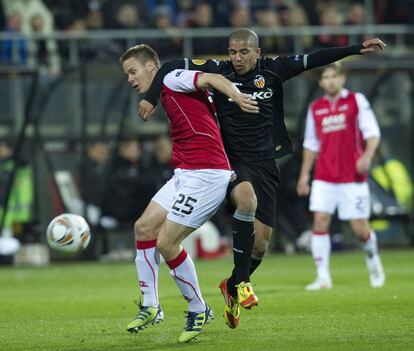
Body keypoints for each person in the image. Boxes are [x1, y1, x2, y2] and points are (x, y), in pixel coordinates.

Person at [138, 28, 386, 329]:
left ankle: (231, 284)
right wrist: (152, 98)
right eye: (232, 51)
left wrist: (356, 48)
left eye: (243, 52)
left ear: (257, 52)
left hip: (265, 163)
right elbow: (168, 67)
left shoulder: (274, 69)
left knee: (260, 245)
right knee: (246, 199)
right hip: (231, 161)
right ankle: (241, 284)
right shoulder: (220, 70)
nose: (237, 58)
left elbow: (315, 59)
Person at [120, 44, 258, 343]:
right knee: (143, 227)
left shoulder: (171, 78)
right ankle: (151, 305)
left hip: (207, 175)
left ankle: (198, 308)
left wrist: (237, 96)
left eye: (133, 71)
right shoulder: (168, 85)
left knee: (167, 242)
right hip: (186, 173)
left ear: (151, 66)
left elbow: (211, 79)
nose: (130, 79)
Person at [296, 62, 385, 290]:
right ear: (320, 82)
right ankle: (323, 277)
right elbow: (311, 144)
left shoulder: (356, 101)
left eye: (334, 76)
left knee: (359, 229)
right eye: (326, 78)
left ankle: (374, 262)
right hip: (324, 176)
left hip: (352, 176)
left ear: (342, 78)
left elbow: (373, 133)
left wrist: (366, 156)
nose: (330, 81)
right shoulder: (315, 108)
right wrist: (304, 175)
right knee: (320, 222)